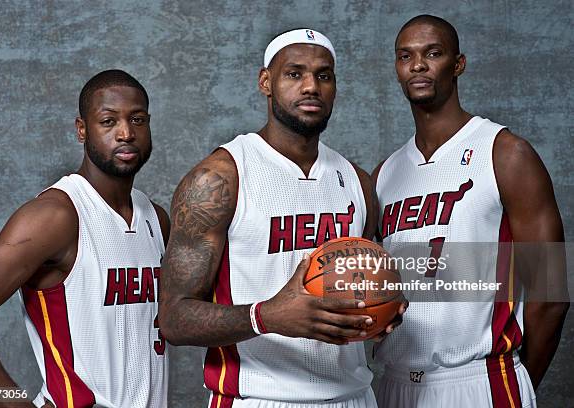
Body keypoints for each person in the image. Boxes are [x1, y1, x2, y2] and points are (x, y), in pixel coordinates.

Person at [159, 29, 406, 408]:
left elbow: (363, 286)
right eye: (294, 74)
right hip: (258, 398)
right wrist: (267, 317)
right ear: (265, 82)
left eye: (324, 76)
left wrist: (380, 311)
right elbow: (174, 319)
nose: (311, 86)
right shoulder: (219, 178)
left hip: (354, 397)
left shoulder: (357, 181)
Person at [371, 15, 569, 408]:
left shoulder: (504, 153)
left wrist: (519, 380)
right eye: (405, 56)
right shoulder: (385, 173)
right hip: (393, 383)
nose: (418, 65)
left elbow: (552, 292)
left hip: (480, 380)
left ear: (458, 64)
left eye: (433, 53)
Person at [0, 70, 169, 408]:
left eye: (138, 119)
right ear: (82, 130)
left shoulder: (155, 219)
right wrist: (10, 403)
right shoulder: (56, 216)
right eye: (108, 121)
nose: (126, 133)